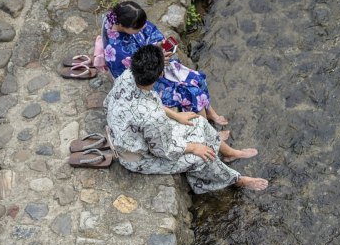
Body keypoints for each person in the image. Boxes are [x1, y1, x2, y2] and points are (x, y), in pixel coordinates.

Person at [104, 44, 268, 193]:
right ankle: (235, 180)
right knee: (203, 156)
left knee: (197, 121)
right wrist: (193, 148)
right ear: (160, 74)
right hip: (137, 158)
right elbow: (163, 150)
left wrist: (176, 115)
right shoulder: (152, 117)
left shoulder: (127, 76)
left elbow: (145, 103)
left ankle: (229, 153)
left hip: (130, 133)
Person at [102, 0, 229, 126]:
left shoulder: (122, 19)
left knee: (197, 78)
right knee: (192, 93)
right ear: (125, 26)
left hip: (156, 62)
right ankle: (209, 133)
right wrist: (159, 60)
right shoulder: (117, 52)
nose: (142, 29)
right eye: (138, 29)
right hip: (147, 80)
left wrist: (159, 47)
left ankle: (210, 112)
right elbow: (139, 75)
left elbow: (151, 33)